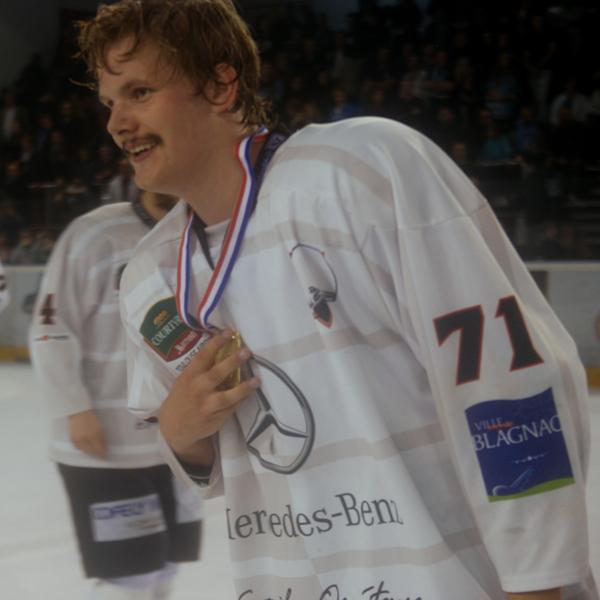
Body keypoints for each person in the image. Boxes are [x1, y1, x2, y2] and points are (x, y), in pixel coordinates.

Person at [77, 1, 598, 599]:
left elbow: (507, 383)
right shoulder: (150, 279)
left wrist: (536, 585)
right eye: (109, 102)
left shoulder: (357, 171)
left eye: (140, 92)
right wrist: (179, 428)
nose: (117, 123)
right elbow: (207, 467)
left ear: (220, 85)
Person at [29, 191, 202, 600]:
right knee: (130, 578)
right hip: (106, 447)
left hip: (180, 445)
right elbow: (50, 328)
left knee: (166, 568)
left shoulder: (208, 231)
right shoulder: (96, 233)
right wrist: (75, 409)